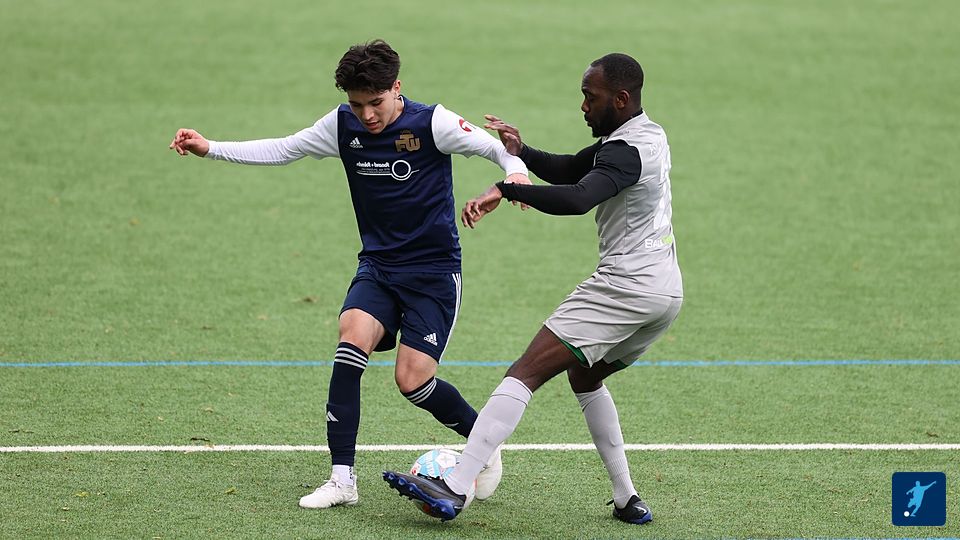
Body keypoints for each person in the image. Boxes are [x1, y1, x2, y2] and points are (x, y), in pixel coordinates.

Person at [169, 39, 529, 509]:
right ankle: (342, 480)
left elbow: (497, 150)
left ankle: (484, 443)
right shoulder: (342, 126)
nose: (367, 115)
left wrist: (515, 174)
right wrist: (210, 148)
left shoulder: (433, 123)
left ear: (396, 88)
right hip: (378, 266)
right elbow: (285, 148)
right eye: (357, 105)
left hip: (433, 273)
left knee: (412, 381)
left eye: (375, 102)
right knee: (350, 340)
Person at [382, 52, 682, 526]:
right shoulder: (645, 136)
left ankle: (456, 486)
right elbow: (572, 169)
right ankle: (627, 498)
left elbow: (579, 198)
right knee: (585, 377)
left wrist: (509, 189)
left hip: (626, 285)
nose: (583, 105)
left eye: (591, 97)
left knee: (525, 372)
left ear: (621, 99)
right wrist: (521, 152)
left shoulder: (624, 151)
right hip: (665, 293)